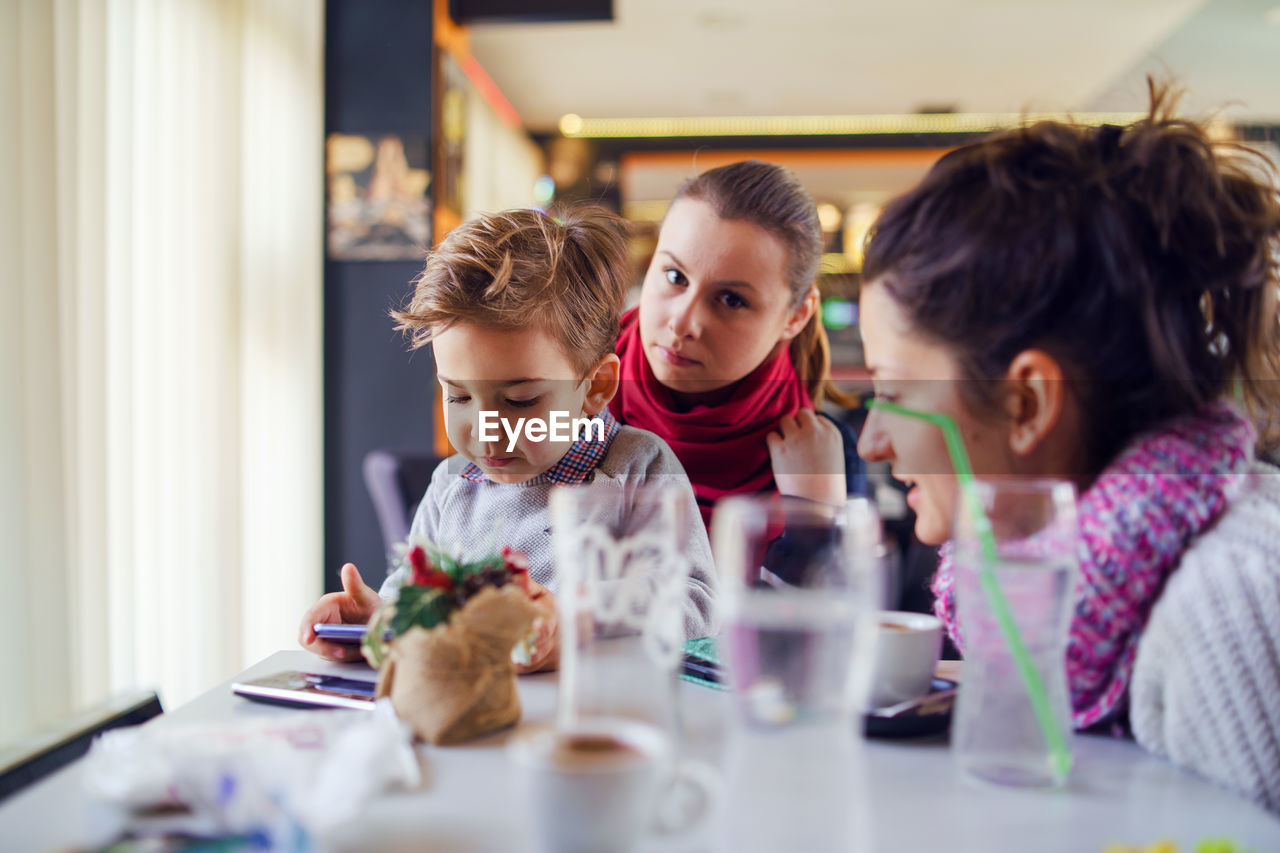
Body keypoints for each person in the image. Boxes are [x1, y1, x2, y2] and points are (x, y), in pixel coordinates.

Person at [855, 82, 1280, 812]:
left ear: (1028, 403)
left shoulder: (1228, 607)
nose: (871, 438)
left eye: (896, 389)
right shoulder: (1103, 584)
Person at [299, 206, 717, 670]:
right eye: (458, 397)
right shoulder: (450, 486)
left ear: (596, 387)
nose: (484, 430)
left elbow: (695, 606)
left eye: (519, 401)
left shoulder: (637, 467)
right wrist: (376, 620)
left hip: (583, 725)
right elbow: (415, 600)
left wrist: (570, 625)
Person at [610, 160, 865, 528]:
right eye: (674, 275)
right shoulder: (562, 398)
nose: (682, 323)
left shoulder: (828, 455)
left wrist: (813, 515)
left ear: (796, 316)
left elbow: (834, 587)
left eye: (730, 299)